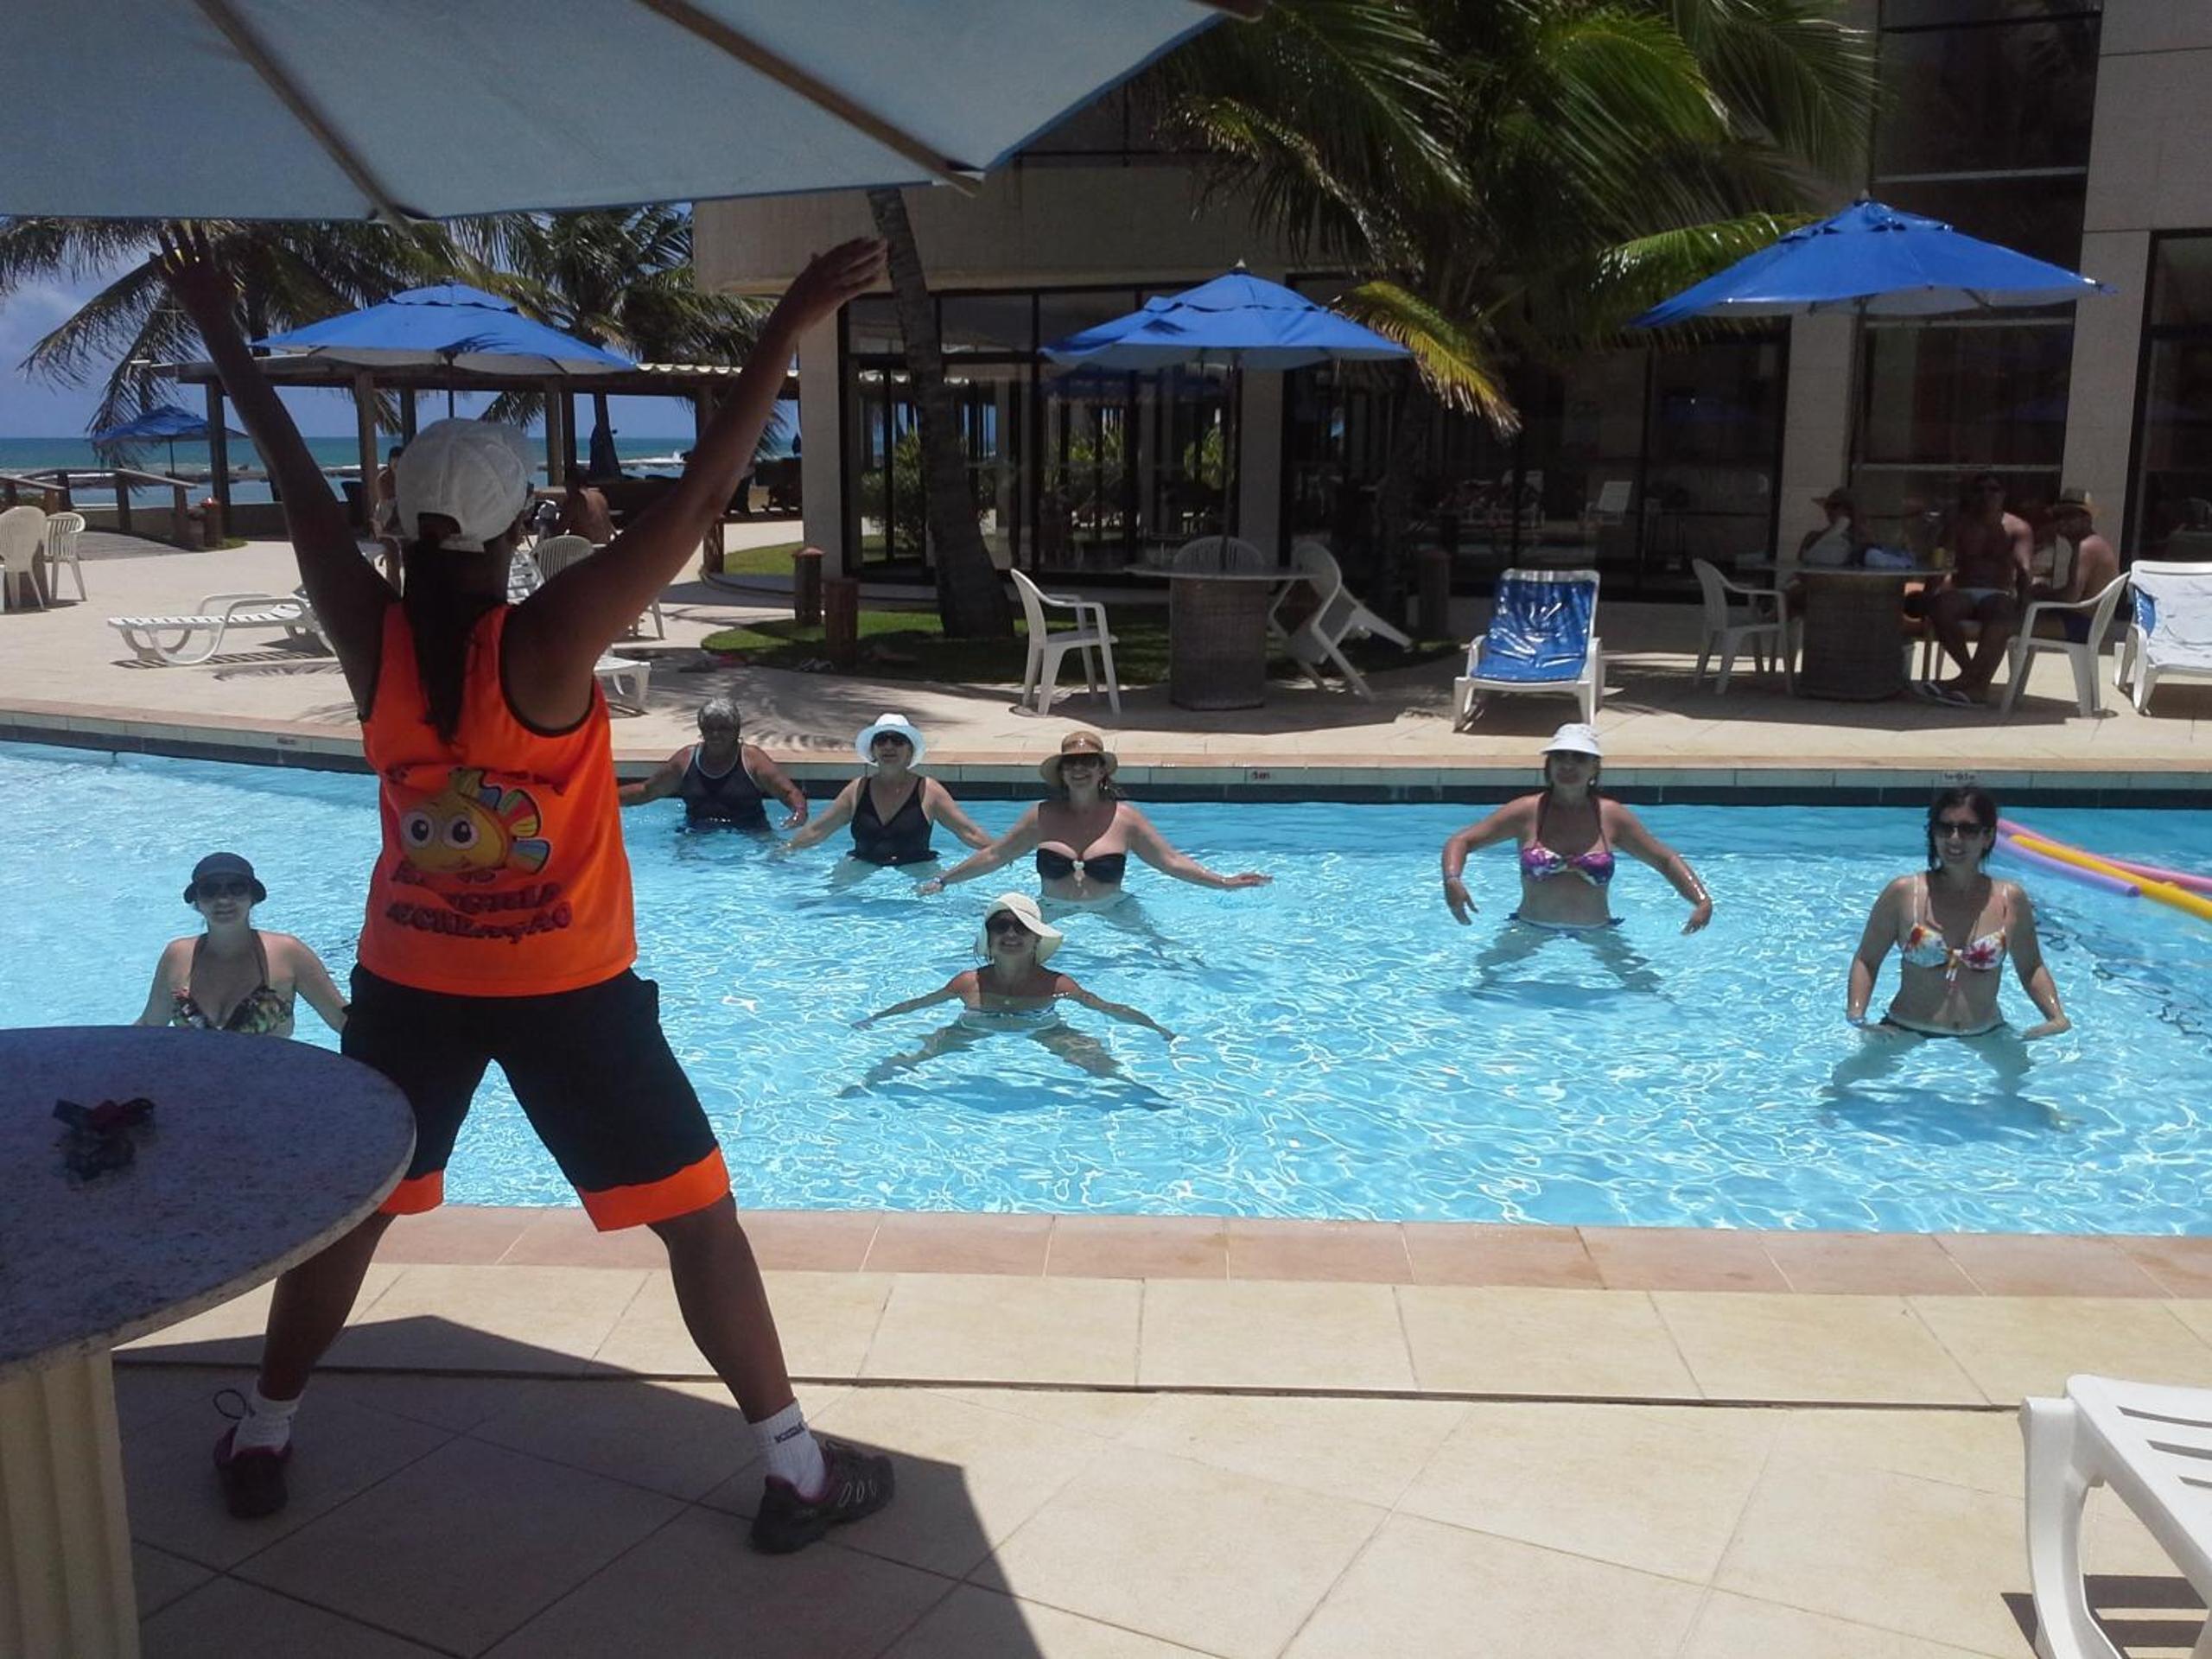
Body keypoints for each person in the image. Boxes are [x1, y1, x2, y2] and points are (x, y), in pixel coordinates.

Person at [159, 226, 894, 1554]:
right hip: (569, 992)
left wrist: (220, 330)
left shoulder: (369, 632)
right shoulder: (549, 640)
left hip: (410, 984)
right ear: (521, 527)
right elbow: (699, 498)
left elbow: (292, 479)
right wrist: (785, 325)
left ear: (394, 521)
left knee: (355, 1211)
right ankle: (793, 1471)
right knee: (699, 1224)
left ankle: (263, 1431)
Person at [916, 730, 1270, 912]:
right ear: (1062, 773)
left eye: (1088, 762)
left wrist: (1224, 882)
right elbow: (996, 855)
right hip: (1052, 909)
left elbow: (1170, 861)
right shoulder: (1042, 816)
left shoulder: (1125, 818)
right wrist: (944, 880)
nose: (1079, 769)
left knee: (1164, 955)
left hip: (1112, 907)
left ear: (1102, 770)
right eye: (1071, 763)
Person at [852, 893, 1173, 1083]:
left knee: (1097, 1063)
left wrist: (1155, 1028)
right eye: (1000, 927)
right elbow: (920, 1003)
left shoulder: (1056, 984)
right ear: (989, 939)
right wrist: (876, 1019)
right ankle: (868, 1084)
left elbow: (1107, 1007)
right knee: (917, 1055)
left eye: (1022, 927)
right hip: (973, 1026)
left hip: (1044, 1027)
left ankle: (1135, 1091)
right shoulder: (968, 982)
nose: (1011, 934)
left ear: (1036, 939)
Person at [1440, 724, 1713, 934]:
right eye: (1560, 757)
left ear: (1594, 767)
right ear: (1549, 764)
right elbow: (1461, 841)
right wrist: (1452, 880)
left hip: (1599, 931)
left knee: (1646, 986)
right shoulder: (1526, 812)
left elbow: (1664, 859)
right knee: (1484, 986)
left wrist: (1701, 901)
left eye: (1579, 758)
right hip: (1529, 929)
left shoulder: (1611, 816)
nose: (1568, 765)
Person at [135, 852, 347, 1038]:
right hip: (193, 1072)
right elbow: (150, 1025)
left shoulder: (287, 953)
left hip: (266, 1073)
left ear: (252, 897)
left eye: (236, 888)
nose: (223, 900)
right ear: (197, 902)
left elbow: (341, 1021)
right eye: (210, 890)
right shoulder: (178, 955)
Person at [781, 712, 990, 880]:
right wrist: (785, 850)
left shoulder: (929, 791)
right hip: (862, 865)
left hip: (918, 868)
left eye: (897, 740)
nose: (889, 747)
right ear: (873, 750)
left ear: (910, 750)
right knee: (826, 900)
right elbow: (818, 831)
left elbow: (968, 832)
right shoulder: (857, 789)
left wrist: (1000, 853)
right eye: (881, 740)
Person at [1920, 473, 2031, 706]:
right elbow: (1941, 562)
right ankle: (1970, 676)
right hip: (1964, 589)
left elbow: (2024, 569)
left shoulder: (2017, 528)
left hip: (1998, 591)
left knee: (2001, 612)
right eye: (1980, 490)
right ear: (1971, 495)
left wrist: (2024, 605)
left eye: (1993, 489)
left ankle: (1975, 685)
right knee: (1940, 607)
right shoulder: (1959, 525)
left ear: (2003, 495)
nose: (1986, 495)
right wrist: (1928, 595)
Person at [619, 696, 808, 831]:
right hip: (696, 832)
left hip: (750, 832)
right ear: (701, 730)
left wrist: (798, 815)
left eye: (723, 728)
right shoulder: (686, 760)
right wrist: (608, 799)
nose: (715, 734)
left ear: (736, 730)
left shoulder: (752, 759)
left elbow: (788, 793)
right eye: (709, 728)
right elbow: (647, 791)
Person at [2031, 486, 2122, 643]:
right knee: (2019, 619)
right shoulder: (2094, 543)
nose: (2062, 521)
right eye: (2058, 516)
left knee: (2003, 626)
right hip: (2084, 622)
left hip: (2080, 625)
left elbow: (2071, 596)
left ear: (2087, 519)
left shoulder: (2085, 547)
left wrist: (2039, 593)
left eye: (2070, 515)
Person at [1796, 486, 1862, 569]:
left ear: (1848, 510)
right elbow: (1800, 564)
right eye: (1827, 506)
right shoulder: (1812, 536)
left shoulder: (1857, 540)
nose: (1829, 510)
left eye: (1834, 506)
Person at [560, 467, 617, 544]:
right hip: (604, 547)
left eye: (565, 484)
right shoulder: (600, 496)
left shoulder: (575, 500)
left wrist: (548, 524)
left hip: (585, 549)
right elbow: (609, 525)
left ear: (570, 483)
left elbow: (558, 531)